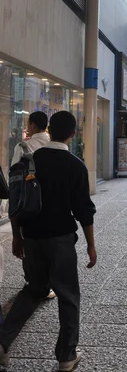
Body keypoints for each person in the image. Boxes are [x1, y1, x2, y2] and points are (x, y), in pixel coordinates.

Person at [0, 111, 97, 372]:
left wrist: (17, 236)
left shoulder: (29, 160)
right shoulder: (75, 165)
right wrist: (90, 244)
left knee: (33, 289)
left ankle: (2, 342)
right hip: (61, 239)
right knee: (67, 295)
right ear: (72, 135)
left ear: (49, 130)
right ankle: (66, 356)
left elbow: (17, 202)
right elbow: (83, 209)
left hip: (32, 237)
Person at [10, 111, 56, 300]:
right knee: (49, 243)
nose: (28, 128)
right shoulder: (56, 145)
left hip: (30, 203)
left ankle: (32, 281)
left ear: (34, 125)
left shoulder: (24, 146)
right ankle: (48, 284)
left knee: (29, 242)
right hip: (52, 204)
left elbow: (14, 181)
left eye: (29, 124)